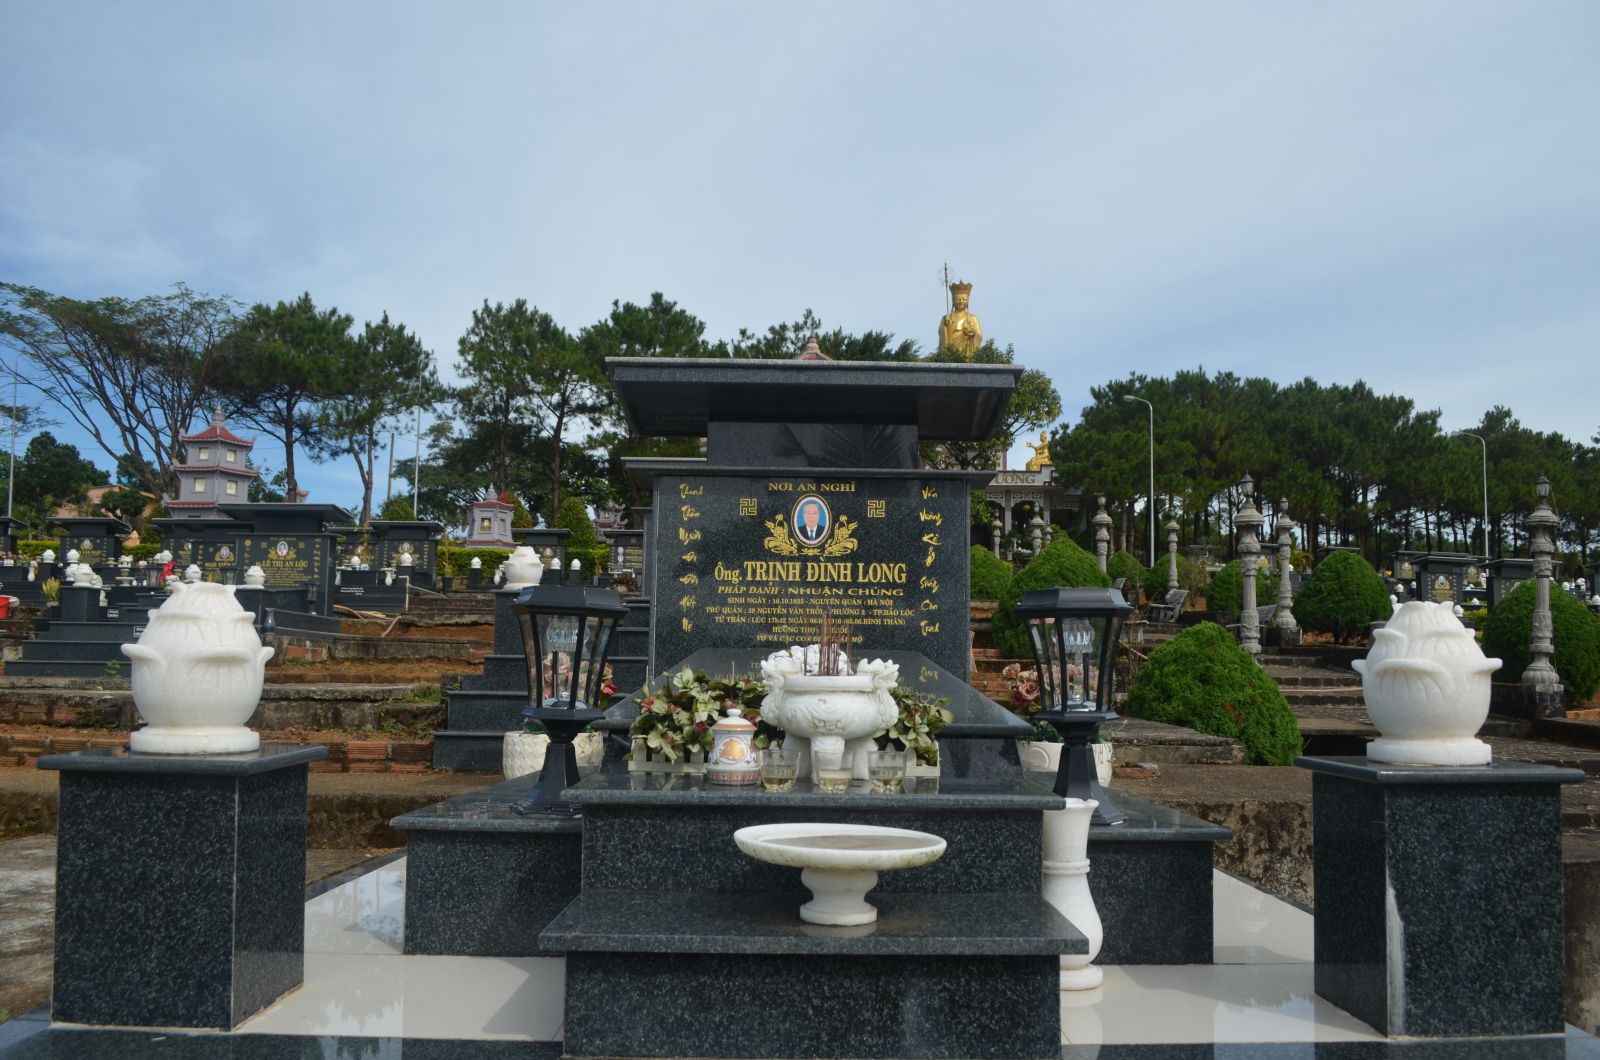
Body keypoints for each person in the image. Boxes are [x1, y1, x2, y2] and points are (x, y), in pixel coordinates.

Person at [938, 281, 983, 359]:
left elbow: (979, 336)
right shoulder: (947, 318)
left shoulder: (973, 318)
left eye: (964, 299)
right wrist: (945, 326)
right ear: (953, 300)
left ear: (968, 300)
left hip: (967, 350)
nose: (961, 301)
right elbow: (941, 333)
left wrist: (972, 333)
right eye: (958, 299)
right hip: (951, 352)